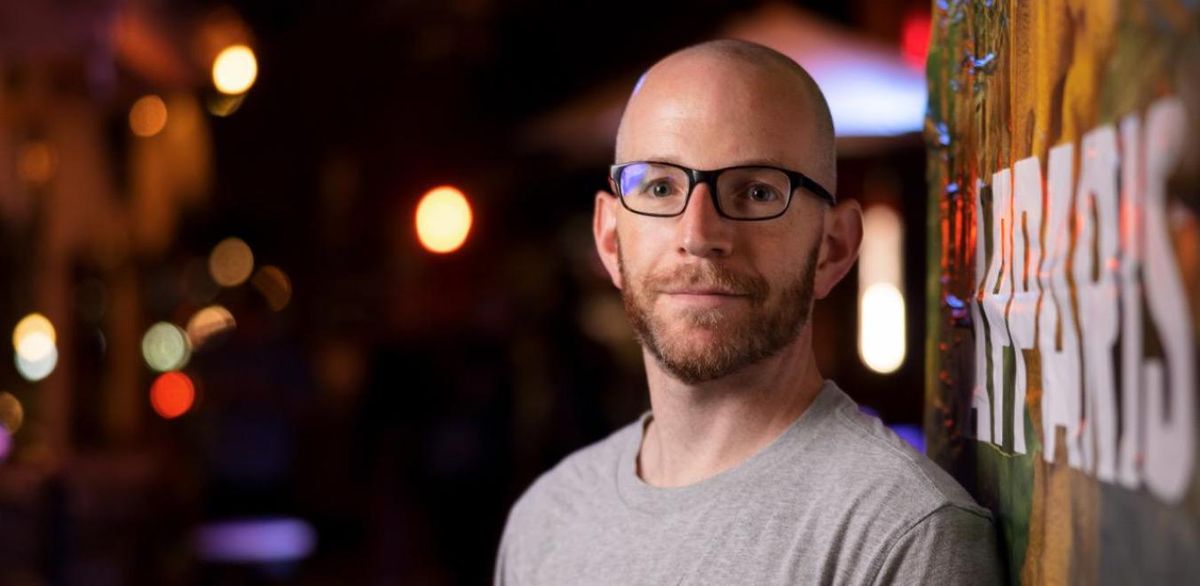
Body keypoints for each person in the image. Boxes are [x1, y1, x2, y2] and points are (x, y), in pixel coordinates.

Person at [495, 39, 1004, 585]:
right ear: (609, 238)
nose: (699, 235)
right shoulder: (545, 520)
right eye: (661, 186)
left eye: (757, 192)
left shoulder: (903, 535)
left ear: (833, 248)